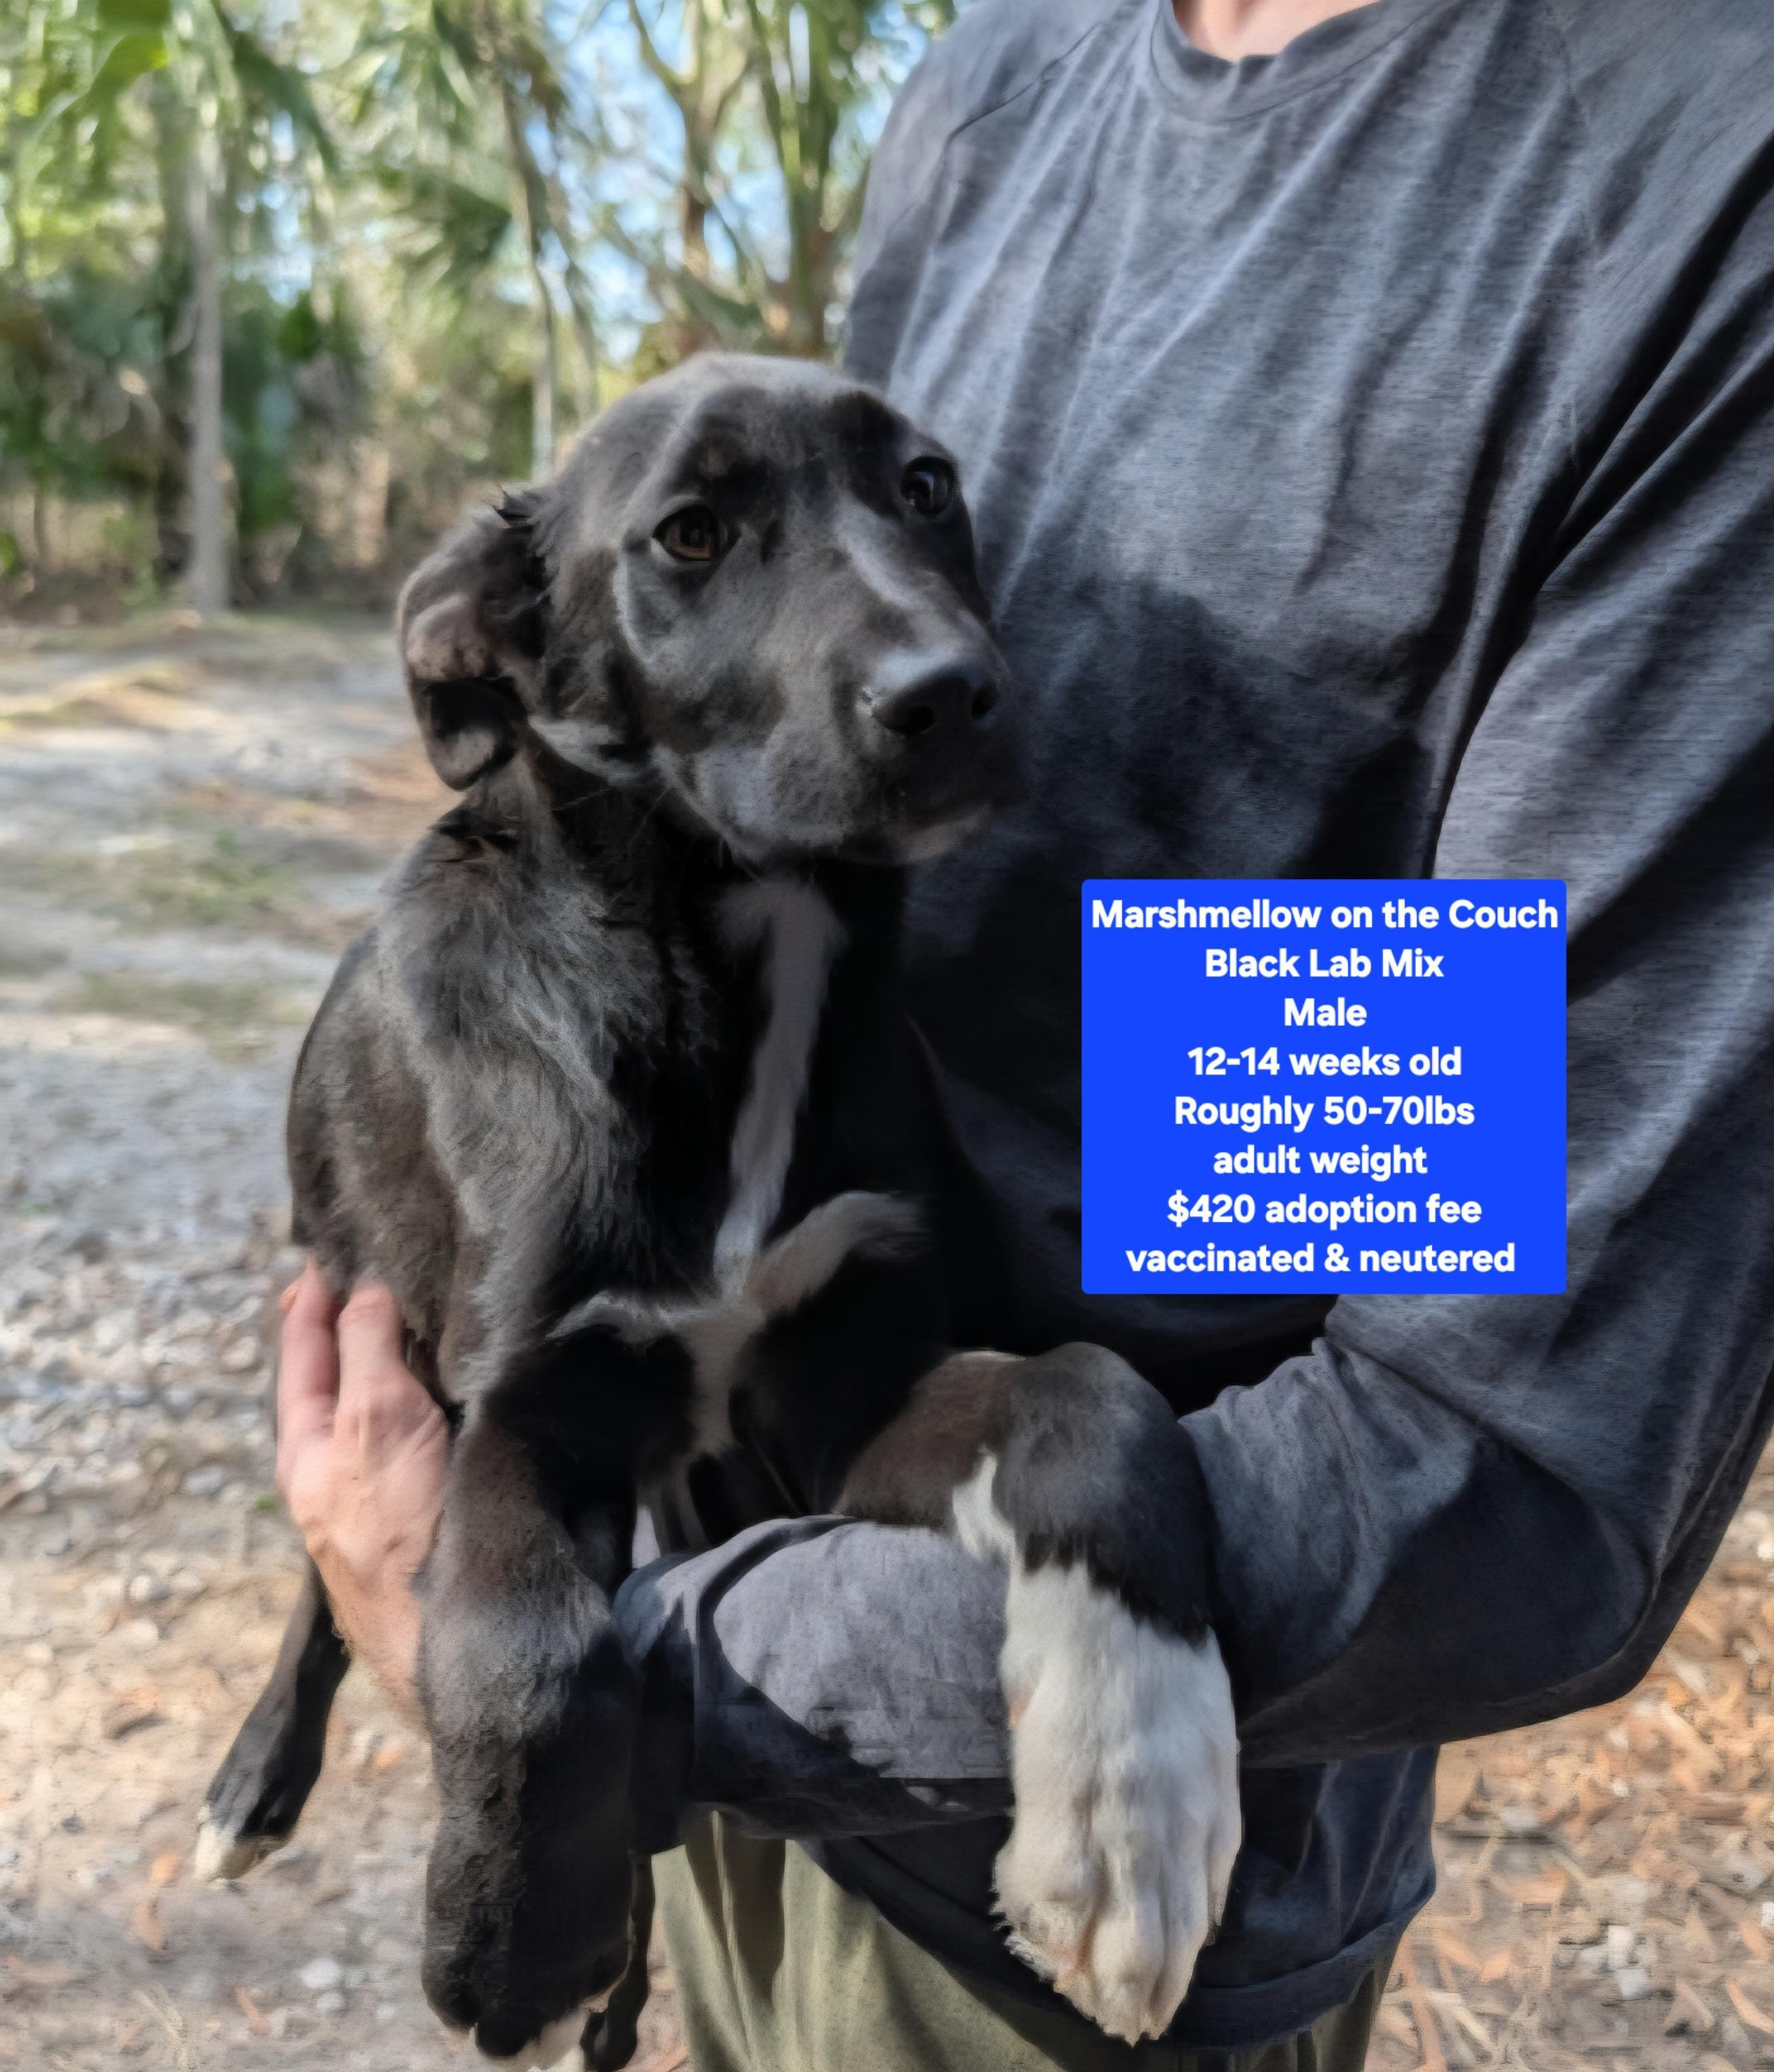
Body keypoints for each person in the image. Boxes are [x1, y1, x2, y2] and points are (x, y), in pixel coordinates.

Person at [271, 0, 1774, 2065]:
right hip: (705, 1712)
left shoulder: (1693, 166)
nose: (938, 638)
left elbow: (1499, 1449)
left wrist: (567, 1663)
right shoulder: (1000, 74)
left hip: (1059, 1875)